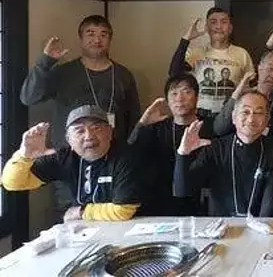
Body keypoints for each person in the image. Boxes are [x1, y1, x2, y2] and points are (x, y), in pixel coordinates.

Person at [1, 105, 142, 221]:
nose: (88, 136)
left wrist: (80, 212)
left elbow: (124, 210)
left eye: (96, 128)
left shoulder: (126, 156)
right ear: (69, 140)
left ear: (110, 132)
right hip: (86, 230)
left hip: (130, 226)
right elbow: (13, 184)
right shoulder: (65, 157)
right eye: (79, 130)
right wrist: (25, 155)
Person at [20, 15, 140, 147]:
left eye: (103, 35)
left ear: (110, 40)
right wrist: (45, 61)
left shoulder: (123, 75)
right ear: (81, 38)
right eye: (90, 34)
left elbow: (134, 118)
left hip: (113, 152)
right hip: (68, 152)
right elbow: (29, 98)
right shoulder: (63, 72)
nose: (97, 40)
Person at [173, 90, 273, 217]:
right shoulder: (216, 148)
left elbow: (271, 201)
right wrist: (183, 153)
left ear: (267, 119)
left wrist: (258, 227)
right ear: (234, 117)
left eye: (259, 113)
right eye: (245, 112)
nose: (251, 119)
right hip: (221, 224)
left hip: (261, 224)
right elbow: (182, 190)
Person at [128, 74, 214, 216]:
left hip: (203, 202)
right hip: (163, 203)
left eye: (186, 92)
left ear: (197, 98)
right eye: (174, 93)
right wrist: (142, 123)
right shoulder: (157, 128)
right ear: (167, 101)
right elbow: (129, 153)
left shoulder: (210, 126)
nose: (179, 98)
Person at [169, 7, 254, 118]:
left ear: (230, 28)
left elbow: (251, 85)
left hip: (231, 115)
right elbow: (174, 74)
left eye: (224, 22)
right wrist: (186, 39)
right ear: (207, 28)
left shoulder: (242, 54)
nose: (218, 26)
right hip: (200, 114)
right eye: (213, 22)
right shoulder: (196, 53)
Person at [213, 50, 273, 138]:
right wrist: (237, 94)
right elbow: (219, 129)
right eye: (270, 69)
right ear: (259, 68)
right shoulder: (239, 95)